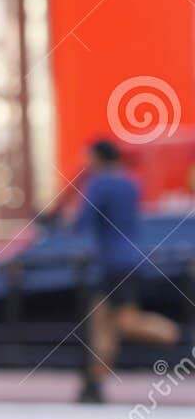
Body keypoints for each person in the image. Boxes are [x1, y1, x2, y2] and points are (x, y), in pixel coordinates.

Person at [73, 138, 180, 403]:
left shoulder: (99, 183)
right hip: (130, 260)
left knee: (123, 322)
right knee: (100, 322)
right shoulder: (130, 182)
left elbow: (82, 222)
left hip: (112, 264)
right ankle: (93, 382)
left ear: (98, 158)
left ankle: (177, 335)